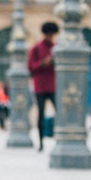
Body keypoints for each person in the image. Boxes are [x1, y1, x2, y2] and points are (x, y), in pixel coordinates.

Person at [27, 21, 58, 151]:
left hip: (53, 85)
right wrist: (43, 63)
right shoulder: (36, 48)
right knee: (40, 114)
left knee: (60, 112)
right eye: (48, 34)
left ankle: (57, 137)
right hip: (40, 86)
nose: (50, 37)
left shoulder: (56, 48)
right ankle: (40, 142)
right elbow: (31, 67)